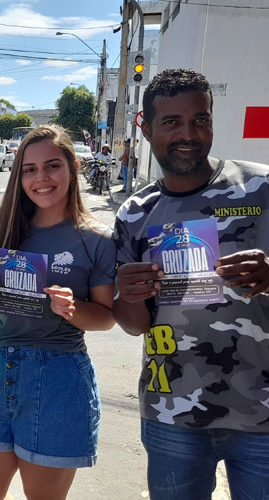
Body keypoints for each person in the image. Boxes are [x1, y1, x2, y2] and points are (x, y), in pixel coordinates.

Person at [112, 68, 269, 499]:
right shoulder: (134, 214)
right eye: (172, 122)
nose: (189, 134)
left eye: (200, 119)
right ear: (145, 129)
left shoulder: (260, 187)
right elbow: (132, 325)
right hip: (172, 414)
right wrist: (130, 294)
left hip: (263, 415)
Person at [0, 125, 117, 500]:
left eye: (52, 166)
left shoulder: (97, 239)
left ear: (73, 167)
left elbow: (106, 317)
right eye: (29, 169)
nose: (41, 178)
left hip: (60, 379)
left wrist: (71, 308)